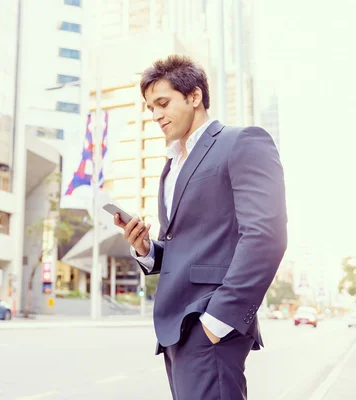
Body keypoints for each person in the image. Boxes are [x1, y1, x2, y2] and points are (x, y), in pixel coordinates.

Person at [113, 54, 287, 400]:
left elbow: (267, 235)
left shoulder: (243, 142)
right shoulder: (171, 166)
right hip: (175, 330)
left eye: (162, 103)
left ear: (194, 96)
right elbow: (183, 247)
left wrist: (218, 320)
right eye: (150, 108)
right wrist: (146, 250)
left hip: (208, 323)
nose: (156, 115)